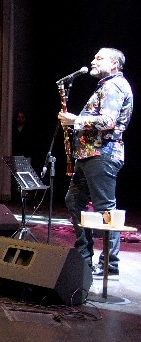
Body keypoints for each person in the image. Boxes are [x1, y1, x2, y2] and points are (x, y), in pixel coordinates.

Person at [59, 47, 134, 276]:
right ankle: (84, 256)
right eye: (94, 57)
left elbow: (108, 121)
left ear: (114, 64)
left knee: (105, 209)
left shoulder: (114, 86)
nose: (93, 60)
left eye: (99, 58)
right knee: (73, 200)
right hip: (89, 155)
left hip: (102, 155)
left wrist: (76, 120)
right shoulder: (105, 86)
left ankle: (110, 264)